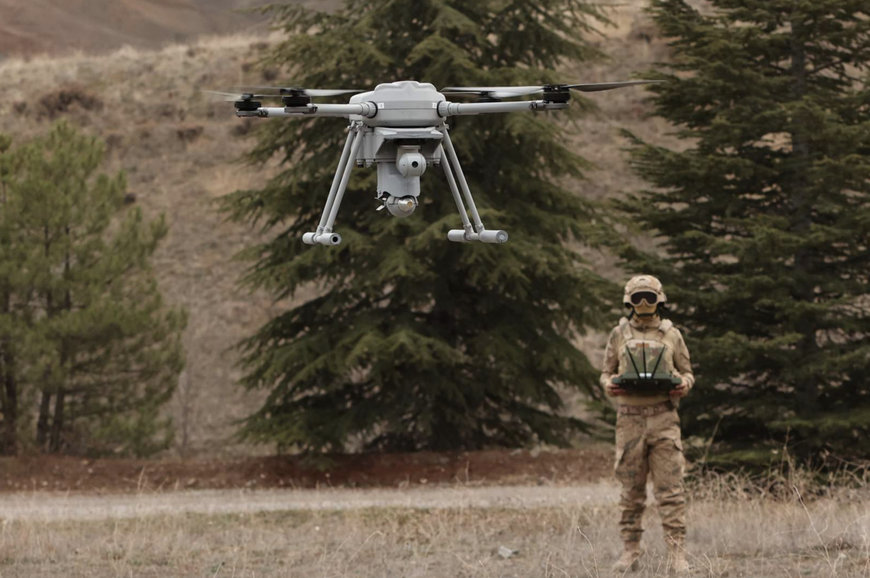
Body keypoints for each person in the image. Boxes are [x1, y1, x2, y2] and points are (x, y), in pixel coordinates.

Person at [600, 275, 694, 574]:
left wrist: (683, 384)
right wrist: (609, 385)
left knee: (671, 490)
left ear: (659, 300)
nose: (643, 304)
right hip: (629, 419)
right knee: (630, 490)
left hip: (664, 419)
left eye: (649, 297)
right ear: (629, 300)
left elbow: (687, 372)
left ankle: (677, 554)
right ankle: (630, 551)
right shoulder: (618, 333)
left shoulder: (672, 334)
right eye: (638, 297)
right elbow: (606, 372)